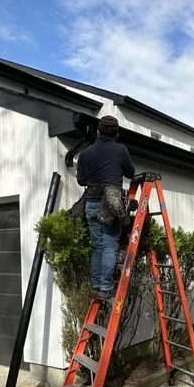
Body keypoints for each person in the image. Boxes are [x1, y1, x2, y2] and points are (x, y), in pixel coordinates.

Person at [76, 115, 135, 299]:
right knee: (109, 245)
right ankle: (106, 287)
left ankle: (96, 285)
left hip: (92, 202)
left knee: (97, 246)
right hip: (111, 202)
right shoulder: (120, 149)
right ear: (116, 134)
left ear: (98, 132)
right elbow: (130, 172)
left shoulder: (86, 153)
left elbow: (81, 181)